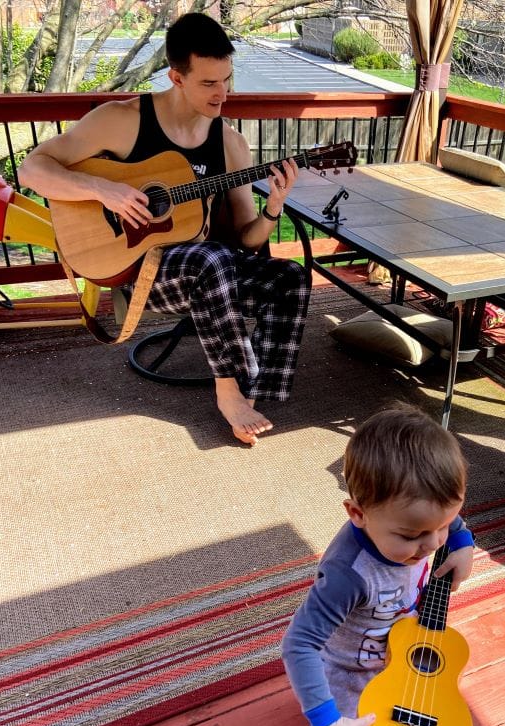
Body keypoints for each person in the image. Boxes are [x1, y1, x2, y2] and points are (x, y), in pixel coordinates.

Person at [19, 12, 310, 446]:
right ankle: (228, 391)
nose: (222, 94)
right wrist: (103, 190)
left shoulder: (230, 143)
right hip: (140, 274)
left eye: (227, 80)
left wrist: (273, 207)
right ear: (176, 77)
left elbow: (248, 239)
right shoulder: (122, 121)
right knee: (212, 258)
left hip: (206, 274)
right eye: (208, 83)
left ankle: (255, 390)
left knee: (290, 277)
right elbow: (31, 169)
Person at [281, 403, 474, 726]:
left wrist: (461, 539)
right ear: (357, 513)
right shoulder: (348, 575)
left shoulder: (423, 523)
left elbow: (442, 519)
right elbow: (299, 643)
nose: (430, 544)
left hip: (397, 651)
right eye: (412, 535)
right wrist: (328, 722)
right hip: (348, 670)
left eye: (440, 527)